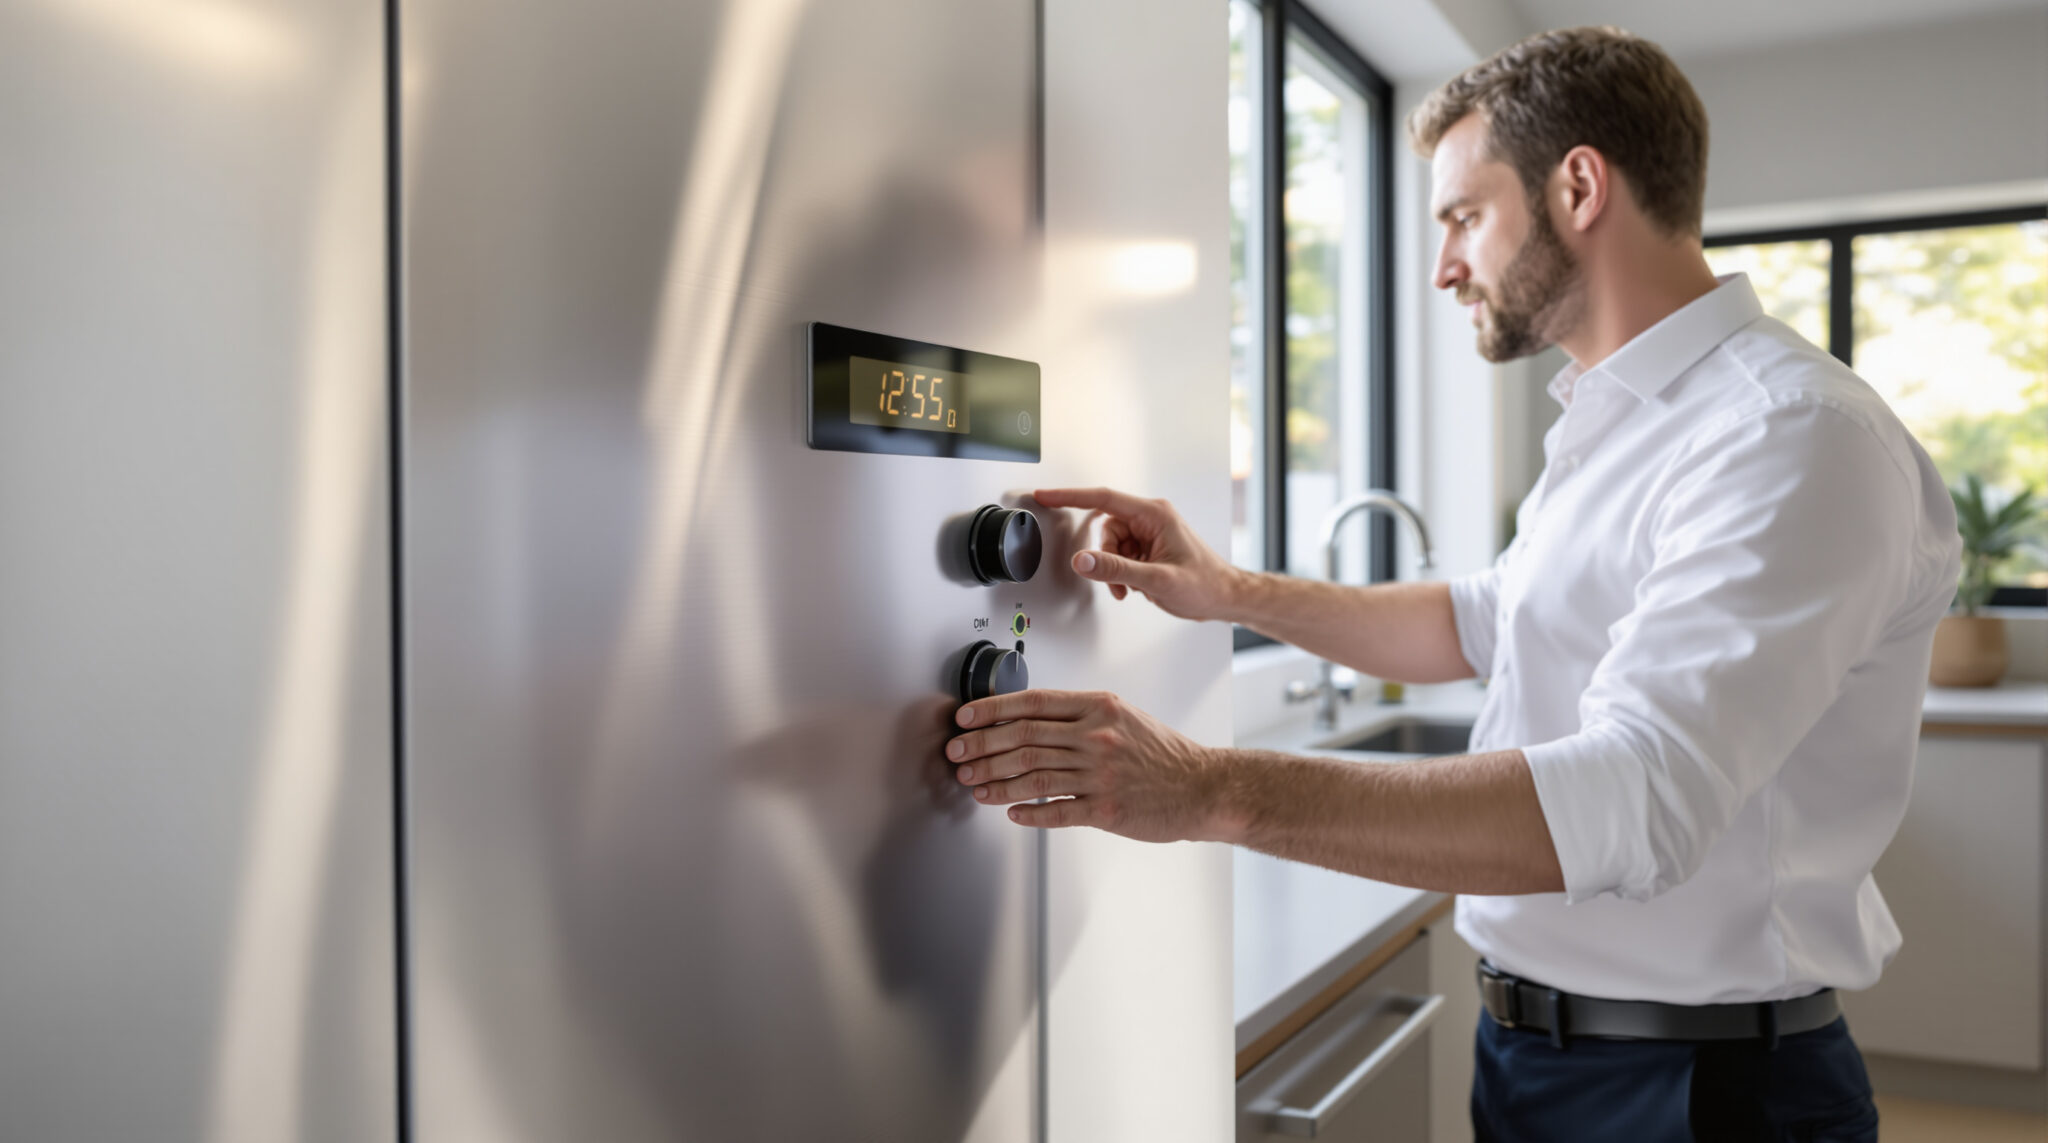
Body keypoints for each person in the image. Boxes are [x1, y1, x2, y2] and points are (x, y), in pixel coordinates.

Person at [943, 25, 1961, 1143]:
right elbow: (1481, 620)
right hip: (1535, 1056)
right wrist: (1229, 590)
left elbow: (1635, 797)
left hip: (1694, 1092)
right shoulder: (1615, 420)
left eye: (1462, 216)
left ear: (1577, 185)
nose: (1441, 267)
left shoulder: (1787, 435)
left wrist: (1201, 789)